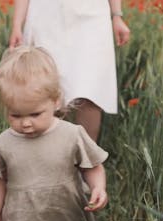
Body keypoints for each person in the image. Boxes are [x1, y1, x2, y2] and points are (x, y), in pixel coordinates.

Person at [0, 46, 111, 221]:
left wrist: (98, 187)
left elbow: (91, 166)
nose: (26, 124)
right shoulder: (4, 142)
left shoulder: (71, 134)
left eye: (35, 114)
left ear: (55, 101)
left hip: (67, 216)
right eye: (16, 115)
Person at [8, 0, 131, 142]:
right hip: (46, 16)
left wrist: (117, 15)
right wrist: (17, 24)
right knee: (48, 90)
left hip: (92, 15)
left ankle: (87, 160)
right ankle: (50, 159)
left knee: (91, 92)